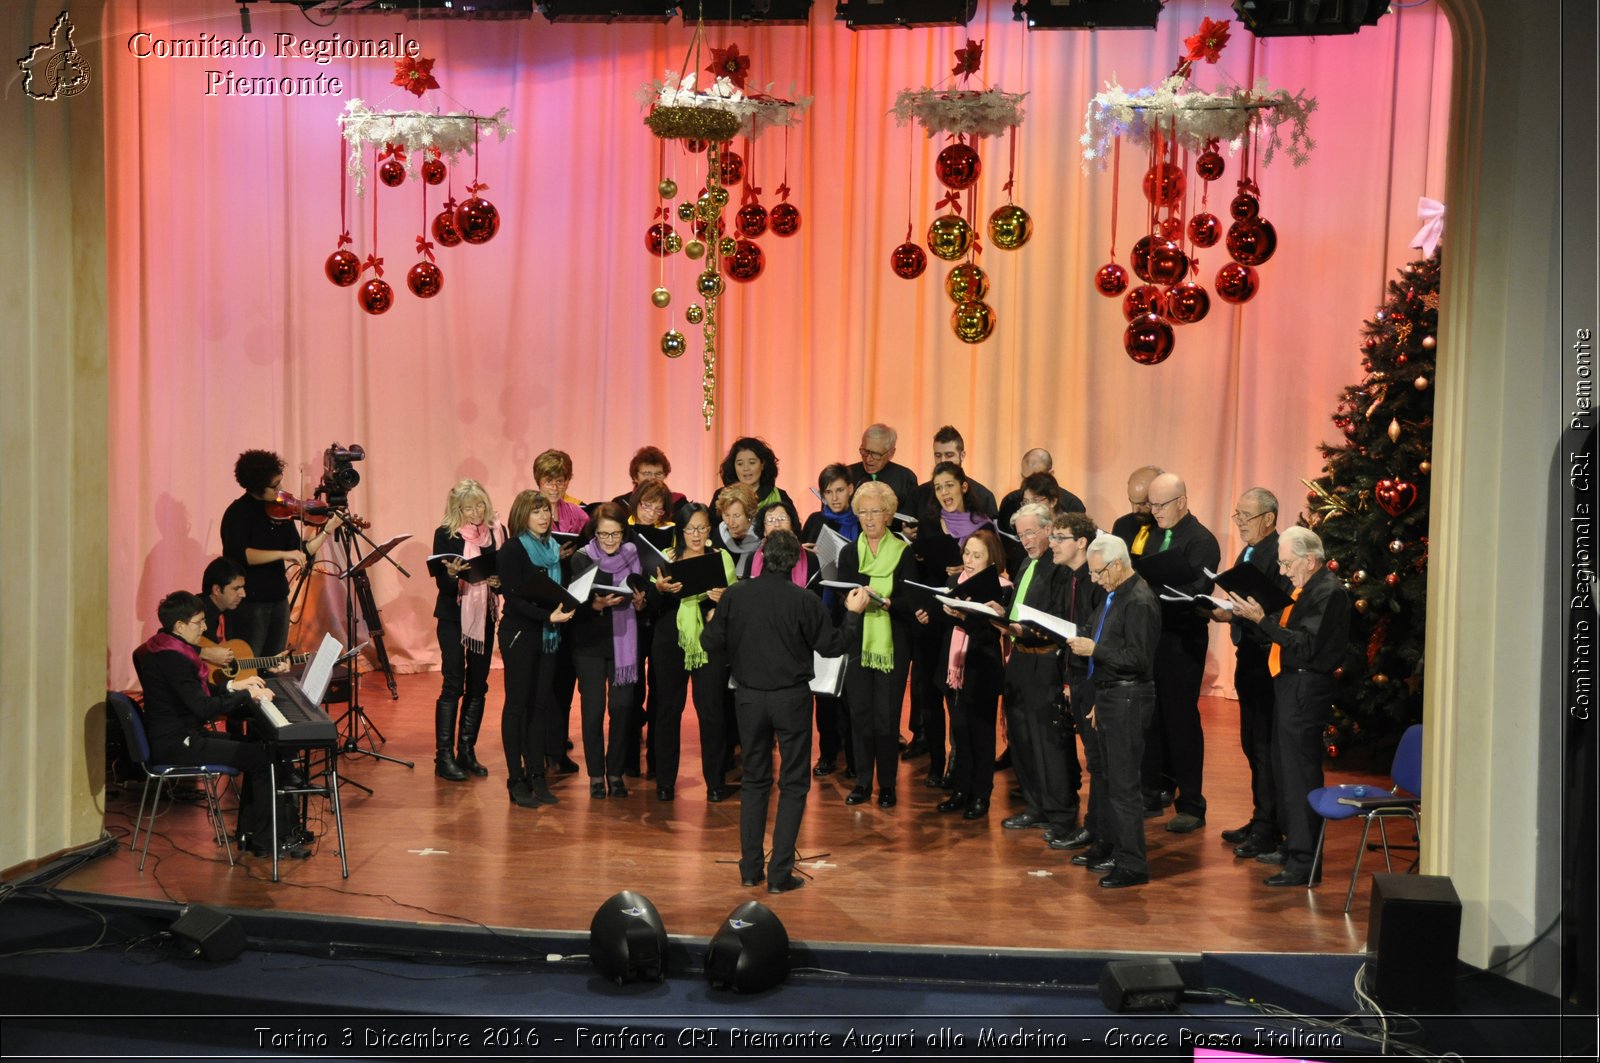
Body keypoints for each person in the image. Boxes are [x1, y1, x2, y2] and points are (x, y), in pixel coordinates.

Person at [703, 530, 869, 893]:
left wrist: (714, 617)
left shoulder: (735, 595)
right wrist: (853, 614)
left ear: (761, 557)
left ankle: (750, 870)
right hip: (790, 700)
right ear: (795, 562)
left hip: (748, 699)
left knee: (754, 781)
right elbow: (832, 646)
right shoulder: (804, 600)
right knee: (793, 785)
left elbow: (710, 642)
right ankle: (779, 875)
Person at [132, 591, 307, 858]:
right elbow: (202, 707)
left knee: (260, 747)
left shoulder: (167, 646)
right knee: (261, 758)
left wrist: (233, 685)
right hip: (177, 744)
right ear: (179, 626)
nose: (205, 627)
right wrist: (246, 695)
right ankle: (266, 841)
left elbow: (198, 693)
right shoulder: (173, 659)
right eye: (199, 622)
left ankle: (252, 835)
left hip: (181, 736)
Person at [1229, 526, 1351, 887]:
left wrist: (1261, 621)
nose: (1282, 571)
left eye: (1286, 563)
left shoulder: (1329, 593)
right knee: (1284, 769)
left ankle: (1304, 861)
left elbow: (1305, 647)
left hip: (1305, 686)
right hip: (1289, 683)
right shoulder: (1306, 587)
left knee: (1299, 774)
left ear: (1310, 560)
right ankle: (1292, 844)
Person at [1065, 535, 1162, 888]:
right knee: (1105, 777)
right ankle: (1108, 847)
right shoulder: (1114, 594)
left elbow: (1138, 659)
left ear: (1117, 564)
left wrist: (1095, 650)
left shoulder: (1139, 600)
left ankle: (1133, 864)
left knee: (1123, 786)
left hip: (1128, 699)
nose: (1094, 578)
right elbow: (1095, 634)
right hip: (1110, 695)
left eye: (1098, 572)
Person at [1212, 488, 1292, 861]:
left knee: (1263, 745)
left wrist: (1242, 613)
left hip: (1267, 658)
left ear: (1269, 519)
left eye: (1246, 515)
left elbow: (1279, 611)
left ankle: (1269, 827)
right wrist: (1227, 609)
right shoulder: (1250, 552)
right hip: (1249, 656)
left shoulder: (1279, 556)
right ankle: (1261, 816)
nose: (1240, 522)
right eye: (1237, 515)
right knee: (1251, 742)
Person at [1141, 472, 1222, 834]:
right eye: (1151, 505)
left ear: (1182, 502)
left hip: (1182, 640)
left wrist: (1156, 589)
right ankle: (1156, 788)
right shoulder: (1153, 534)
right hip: (1152, 637)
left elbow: (1198, 589)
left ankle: (1191, 803)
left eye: (1160, 505)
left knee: (1181, 719)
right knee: (1152, 717)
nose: (1154, 511)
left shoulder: (1202, 540)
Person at [907, 461, 994, 782]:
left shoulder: (983, 526)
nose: (944, 493)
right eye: (938, 487)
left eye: (949, 485)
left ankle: (959, 765)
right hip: (931, 619)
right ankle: (935, 763)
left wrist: (965, 574)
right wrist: (920, 607)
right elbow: (918, 576)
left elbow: (993, 578)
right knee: (928, 695)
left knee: (958, 699)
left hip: (964, 623)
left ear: (964, 486)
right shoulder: (927, 525)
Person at [645, 503, 737, 802]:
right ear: (680, 531)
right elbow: (650, 605)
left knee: (711, 711)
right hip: (669, 641)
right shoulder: (666, 560)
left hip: (708, 642)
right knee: (668, 710)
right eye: (689, 529)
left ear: (709, 530)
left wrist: (722, 599)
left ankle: (715, 781)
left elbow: (734, 603)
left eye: (701, 528)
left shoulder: (720, 558)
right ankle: (665, 781)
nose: (696, 535)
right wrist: (659, 590)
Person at [992, 503, 1075, 838]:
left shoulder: (1060, 567)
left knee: (1048, 740)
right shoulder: (1027, 561)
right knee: (1022, 736)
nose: (1024, 540)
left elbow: (1060, 618)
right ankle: (1035, 805)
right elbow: (1021, 608)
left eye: (1030, 532)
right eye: (1020, 533)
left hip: (1046, 659)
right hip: (1021, 659)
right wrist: (1002, 612)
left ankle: (1060, 814)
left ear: (1048, 529)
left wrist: (1024, 629)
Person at [838, 480, 918, 808]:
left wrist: (885, 602)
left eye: (876, 511)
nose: (869, 518)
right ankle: (861, 783)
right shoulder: (848, 552)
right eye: (863, 512)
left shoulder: (903, 553)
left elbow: (909, 600)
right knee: (860, 715)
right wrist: (854, 600)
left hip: (892, 645)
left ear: (888, 516)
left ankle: (887, 785)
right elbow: (843, 594)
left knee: (886, 718)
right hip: (857, 643)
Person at [219, 449, 343, 657]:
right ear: (257, 487)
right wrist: (281, 555)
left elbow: (300, 551)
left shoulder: (281, 510)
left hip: (278, 598)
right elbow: (241, 555)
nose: (281, 489)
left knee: (274, 659)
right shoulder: (238, 513)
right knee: (250, 660)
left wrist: (327, 530)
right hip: (250, 602)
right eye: (274, 486)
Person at [496, 490, 575, 808]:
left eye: (546, 511)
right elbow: (513, 599)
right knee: (517, 706)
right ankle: (516, 779)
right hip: (520, 633)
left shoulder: (554, 548)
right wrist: (548, 615)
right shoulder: (512, 550)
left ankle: (537, 775)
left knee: (540, 706)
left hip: (548, 634)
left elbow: (556, 590)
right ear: (522, 516)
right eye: (536, 512)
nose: (544, 517)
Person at [425, 480, 504, 782]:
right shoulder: (445, 534)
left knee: (478, 684)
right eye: (469, 507)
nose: (475, 512)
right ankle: (443, 756)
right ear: (457, 509)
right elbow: (443, 586)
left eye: (480, 505)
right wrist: (451, 574)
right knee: (453, 683)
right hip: (453, 616)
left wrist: (499, 583)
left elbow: (501, 572)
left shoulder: (496, 533)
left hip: (484, 614)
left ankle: (466, 750)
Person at [569, 502, 647, 798]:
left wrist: (641, 602)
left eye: (616, 535)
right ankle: (595, 775)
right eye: (604, 535)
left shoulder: (632, 554)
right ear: (595, 534)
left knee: (622, 707)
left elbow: (640, 591)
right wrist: (596, 604)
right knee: (593, 710)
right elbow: (575, 601)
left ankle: (615, 772)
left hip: (623, 639)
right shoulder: (582, 557)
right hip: (590, 641)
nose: (611, 541)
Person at [935, 527, 1010, 819]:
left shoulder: (1002, 588)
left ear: (991, 561)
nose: (969, 559)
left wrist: (968, 617)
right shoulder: (955, 581)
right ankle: (960, 791)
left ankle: (981, 795)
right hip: (954, 667)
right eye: (967, 552)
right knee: (960, 732)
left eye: (977, 555)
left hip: (982, 668)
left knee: (981, 734)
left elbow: (993, 636)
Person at [1045, 512, 1105, 853]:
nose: (1052, 543)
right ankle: (1092, 827)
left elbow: (1095, 634)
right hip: (1076, 676)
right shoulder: (1068, 578)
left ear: (1081, 542)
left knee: (1097, 759)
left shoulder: (1093, 582)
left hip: (1094, 678)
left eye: (1059, 537)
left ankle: (1096, 830)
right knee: (1092, 757)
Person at [799, 464, 858, 780]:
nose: (834, 498)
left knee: (850, 691)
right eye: (828, 492)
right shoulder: (815, 521)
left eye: (839, 490)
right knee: (823, 691)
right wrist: (806, 552)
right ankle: (827, 753)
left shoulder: (861, 520)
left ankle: (852, 757)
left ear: (850, 488)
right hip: (821, 612)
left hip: (849, 610)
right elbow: (804, 566)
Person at [905, 426, 998, 521]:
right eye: (938, 455)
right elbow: (905, 525)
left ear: (962, 456)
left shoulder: (984, 497)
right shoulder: (919, 494)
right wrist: (907, 532)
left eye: (949, 455)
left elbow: (993, 534)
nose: (943, 461)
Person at [846, 423, 919, 506]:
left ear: (891, 453)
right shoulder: (846, 474)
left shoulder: (906, 479)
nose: (868, 459)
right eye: (865, 451)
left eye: (876, 454)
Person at [718, 436, 794, 513]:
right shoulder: (722, 496)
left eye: (752, 463)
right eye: (740, 464)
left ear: (762, 464)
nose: (746, 468)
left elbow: (794, 524)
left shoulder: (780, 496)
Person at [197, 557, 247, 669]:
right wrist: (203, 652)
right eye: (236, 588)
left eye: (243, 587)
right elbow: (169, 641)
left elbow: (240, 659)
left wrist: (267, 666)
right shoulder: (192, 610)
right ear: (217, 590)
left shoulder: (233, 611)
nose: (243, 594)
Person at [611, 445, 686, 513]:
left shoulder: (678, 504)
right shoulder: (620, 504)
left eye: (658, 474)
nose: (653, 478)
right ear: (635, 477)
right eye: (647, 474)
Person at [1110, 465, 1164, 558]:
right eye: (1132, 502)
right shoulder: (1122, 525)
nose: (1135, 510)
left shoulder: (1171, 532)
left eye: (1142, 504)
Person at [533, 449, 589, 536]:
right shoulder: (526, 512)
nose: (554, 487)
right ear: (538, 481)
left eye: (559, 481)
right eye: (548, 481)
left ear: (567, 482)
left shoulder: (577, 513)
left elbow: (592, 542)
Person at [997, 447, 1054, 530]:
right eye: (1026, 478)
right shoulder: (1010, 502)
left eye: (1037, 478)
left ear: (1051, 474)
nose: (1030, 483)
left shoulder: (1071, 503)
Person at [713, 482, 762, 578]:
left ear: (749, 514)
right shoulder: (719, 534)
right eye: (726, 515)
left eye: (737, 516)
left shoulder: (762, 535)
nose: (730, 522)